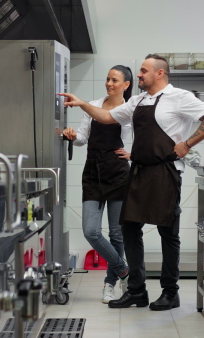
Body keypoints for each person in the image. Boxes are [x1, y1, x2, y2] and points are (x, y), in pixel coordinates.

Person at [59, 54, 204, 311]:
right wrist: (81, 104)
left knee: (168, 234)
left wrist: (187, 144)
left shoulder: (179, 97)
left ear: (159, 73)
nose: (139, 75)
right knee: (129, 229)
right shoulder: (137, 101)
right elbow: (105, 117)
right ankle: (136, 290)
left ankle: (171, 292)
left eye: (144, 71)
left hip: (166, 173)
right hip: (139, 171)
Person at [62, 65, 133, 303]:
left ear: (126, 85)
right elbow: (83, 138)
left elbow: (145, 136)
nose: (109, 83)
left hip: (118, 174)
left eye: (115, 80)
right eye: (107, 79)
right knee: (91, 231)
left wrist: (132, 154)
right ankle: (123, 270)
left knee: (116, 234)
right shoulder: (93, 104)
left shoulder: (130, 110)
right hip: (93, 172)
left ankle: (110, 285)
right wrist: (73, 136)